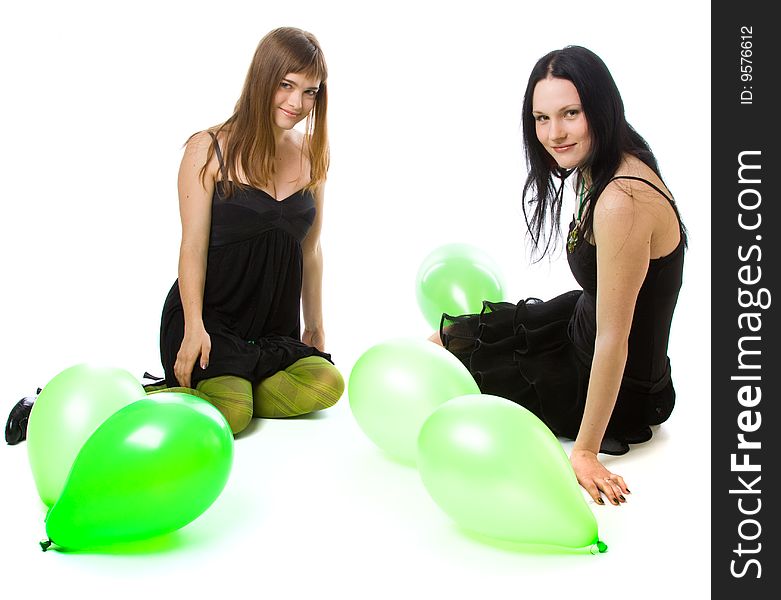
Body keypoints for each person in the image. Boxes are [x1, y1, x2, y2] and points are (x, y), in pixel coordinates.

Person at [431, 46, 685, 507]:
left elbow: (615, 339)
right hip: (577, 320)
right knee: (442, 343)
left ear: (600, 108)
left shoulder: (621, 199)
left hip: (611, 376)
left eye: (570, 113)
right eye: (541, 118)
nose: (554, 133)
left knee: (453, 383)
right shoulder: (602, 158)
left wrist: (585, 451)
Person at [143, 26, 344, 434]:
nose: (297, 102)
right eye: (287, 85)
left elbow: (311, 251)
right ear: (262, 80)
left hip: (270, 327)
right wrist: (194, 327)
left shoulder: (312, 155)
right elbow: (193, 247)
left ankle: (236, 387)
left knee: (328, 383)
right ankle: (131, 399)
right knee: (232, 415)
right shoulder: (208, 148)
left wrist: (316, 325)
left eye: (310, 91)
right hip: (209, 319)